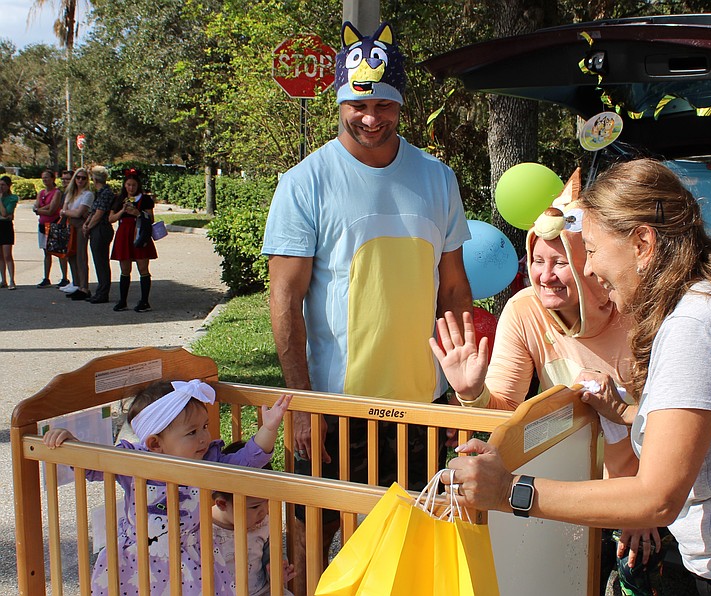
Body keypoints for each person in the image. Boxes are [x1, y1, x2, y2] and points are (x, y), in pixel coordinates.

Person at [446, 159, 711, 595]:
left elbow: (656, 496)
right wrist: (621, 411)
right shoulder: (709, 303)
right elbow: (704, 427)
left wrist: (510, 491)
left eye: (594, 250)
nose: (589, 269)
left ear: (642, 243)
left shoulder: (694, 325)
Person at [262, 21, 472, 595]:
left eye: (384, 103)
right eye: (358, 103)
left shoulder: (437, 177)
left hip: (421, 408)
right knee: (310, 546)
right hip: (336, 407)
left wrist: (462, 390)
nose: (370, 116)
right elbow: (284, 298)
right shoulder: (305, 183)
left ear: (401, 105)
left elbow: (453, 289)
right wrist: (302, 403)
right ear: (339, 101)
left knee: (410, 547)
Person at [430, 177, 662, 591]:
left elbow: (667, 423)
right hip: (561, 490)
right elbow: (505, 417)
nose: (546, 276)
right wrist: (471, 393)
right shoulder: (523, 311)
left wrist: (642, 506)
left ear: (589, 263)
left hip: (640, 491)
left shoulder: (636, 311)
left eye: (561, 263)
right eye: (537, 261)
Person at [43, 379, 293, 595]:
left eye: (204, 427)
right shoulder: (132, 462)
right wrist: (70, 443)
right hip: (137, 558)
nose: (204, 437)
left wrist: (269, 428)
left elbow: (249, 460)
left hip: (192, 557)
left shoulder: (208, 461)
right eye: (192, 432)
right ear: (154, 444)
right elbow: (91, 466)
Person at [211, 441, 296, 596]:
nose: (264, 511)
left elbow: (271, 551)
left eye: (267, 502)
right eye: (255, 506)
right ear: (222, 504)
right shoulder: (202, 527)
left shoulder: (263, 523)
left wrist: (276, 568)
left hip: (260, 591)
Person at [109, 169, 157, 312]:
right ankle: (123, 300)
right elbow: (110, 218)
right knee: (125, 268)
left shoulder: (145, 199)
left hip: (139, 232)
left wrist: (137, 213)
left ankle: (144, 301)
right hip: (124, 234)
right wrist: (123, 211)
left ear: (138, 186)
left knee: (143, 267)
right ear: (125, 185)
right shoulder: (119, 199)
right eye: (128, 185)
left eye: (133, 185)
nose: (131, 188)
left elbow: (151, 218)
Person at [59, 167, 94, 299]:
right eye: (78, 177)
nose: (80, 180)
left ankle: (84, 287)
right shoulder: (70, 193)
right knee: (70, 255)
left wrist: (66, 212)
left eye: (83, 178)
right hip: (70, 225)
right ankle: (77, 283)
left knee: (81, 256)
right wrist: (67, 212)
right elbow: (64, 210)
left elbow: (79, 213)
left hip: (80, 227)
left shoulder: (88, 194)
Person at [84, 166, 115, 303]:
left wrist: (88, 227)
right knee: (98, 261)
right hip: (97, 228)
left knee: (101, 261)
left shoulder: (105, 193)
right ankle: (100, 290)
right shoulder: (100, 192)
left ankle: (103, 292)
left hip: (101, 228)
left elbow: (99, 214)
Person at [33, 170, 69, 288]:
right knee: (46, 252)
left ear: (53, 178)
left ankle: (64, 277)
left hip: (53, 224)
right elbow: (37, 206)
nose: (44, 180)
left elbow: (52, 210)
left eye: (47, 177)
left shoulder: (57, 192)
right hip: (42, 225)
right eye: (43, 178)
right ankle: (46, 277)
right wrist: (41, 209)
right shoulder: (41, 192)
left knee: (58, 252)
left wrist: (39, 210)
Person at [0, 175, 18, 289]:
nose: (1, 187)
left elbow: (6, 213)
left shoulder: (12, 198)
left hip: (6, 228)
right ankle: (3, 279)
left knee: (7, 255)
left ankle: (12, 280)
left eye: (3, 185)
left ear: (8, 186)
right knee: (0, 256)